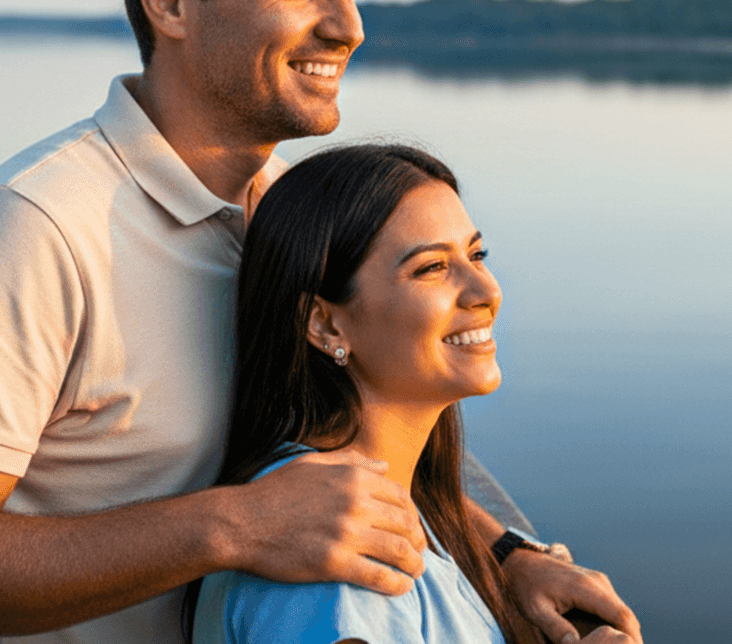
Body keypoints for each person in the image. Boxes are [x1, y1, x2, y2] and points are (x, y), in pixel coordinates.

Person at [0, 0, 640, 644]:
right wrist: (233, 526)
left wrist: (504, 555)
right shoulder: (36, 231)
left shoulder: (274, 206)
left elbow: (343, 460)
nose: (349, 26)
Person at [189, 143, 633, 644]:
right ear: (325, 323)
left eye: (475, 255)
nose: (485, 291)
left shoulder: (378, 501)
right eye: (431, 268)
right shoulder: (332, 558)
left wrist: (510, 554)